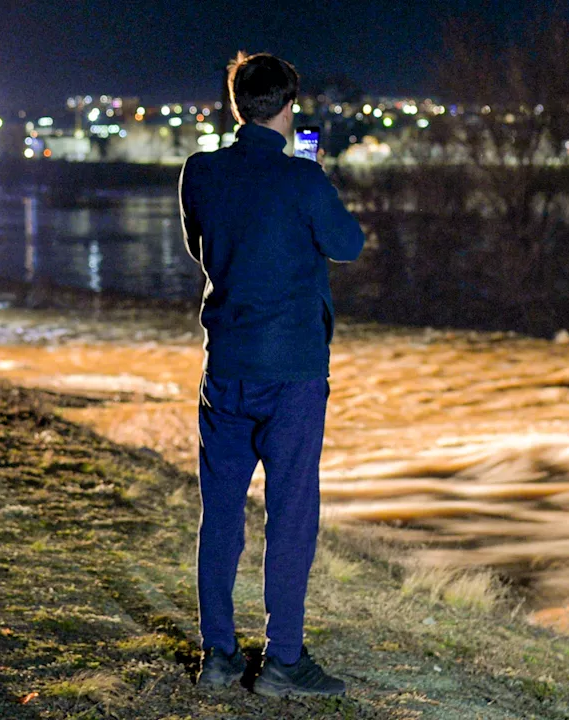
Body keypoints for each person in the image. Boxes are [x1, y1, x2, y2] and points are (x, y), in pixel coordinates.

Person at [179, 51, 364, 697]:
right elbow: (349, 243)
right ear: (289, 105)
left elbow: (203, 244)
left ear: (237, 105)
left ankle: (220, 657)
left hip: (226, 367)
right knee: (290, 516)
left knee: (221, 516)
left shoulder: (199, 172)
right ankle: (284, 661)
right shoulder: (303, 181)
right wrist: (312, 181)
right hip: (291, 373)